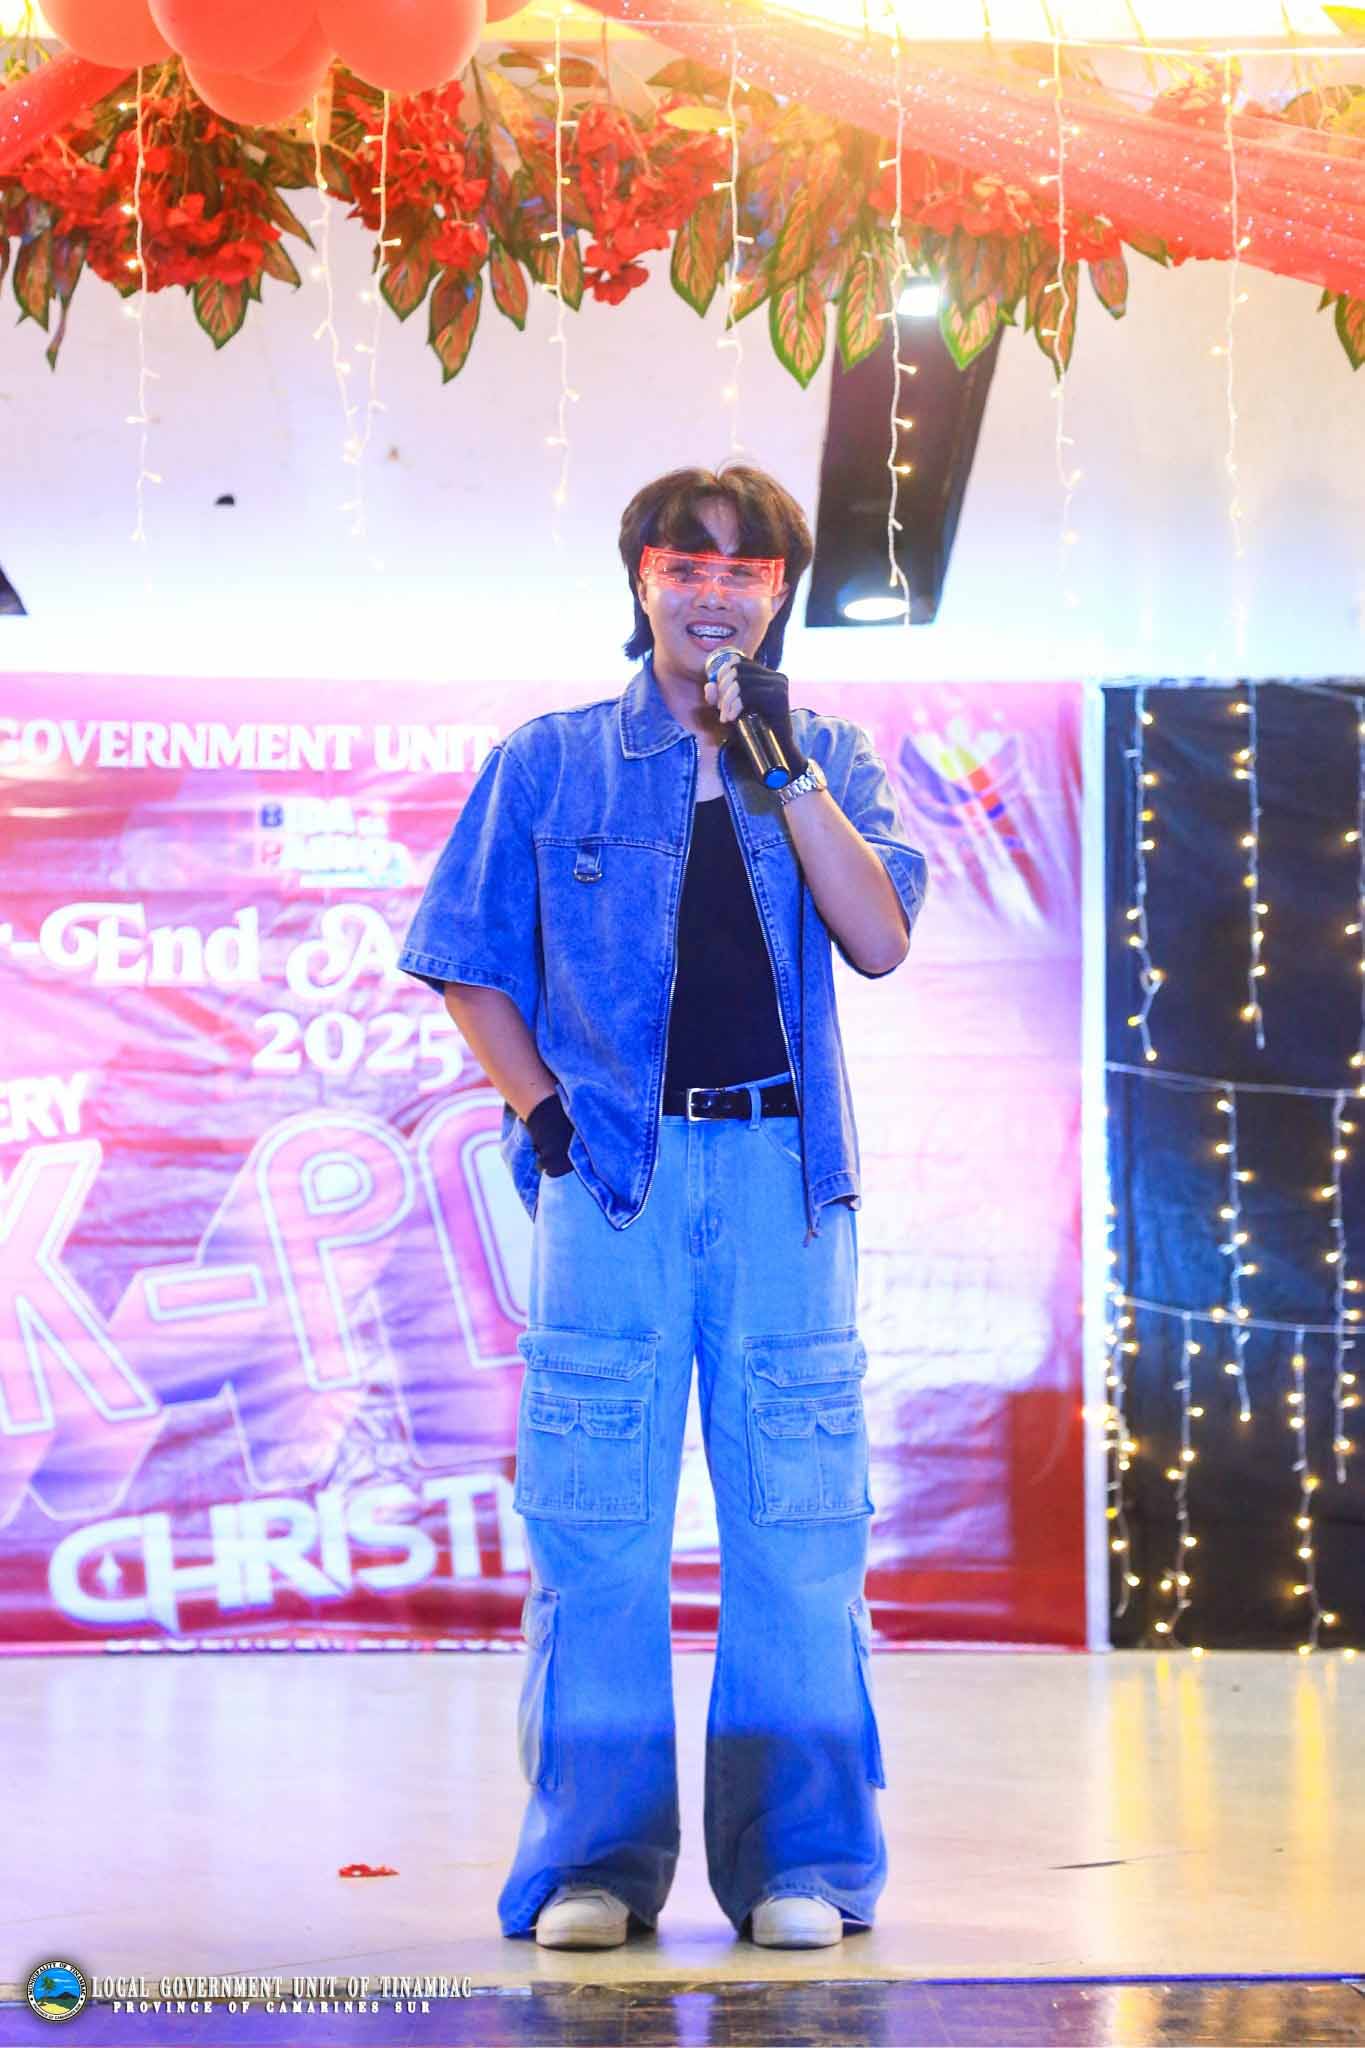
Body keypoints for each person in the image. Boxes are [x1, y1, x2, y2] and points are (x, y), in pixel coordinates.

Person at [397, 461, 928, 1953]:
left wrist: (781, 765)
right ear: (640, 580)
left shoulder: (826, 753)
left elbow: (879, 937)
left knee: (798, 1531)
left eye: (746, 569)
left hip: (783, 1184)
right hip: (612, 1186)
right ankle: (594, 1863)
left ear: (778, 594)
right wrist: (547, 1119)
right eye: (686, 565)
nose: (714, 592)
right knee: (595, 1532)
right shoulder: (551, 759)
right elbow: (464, 957)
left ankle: (801, 1867)